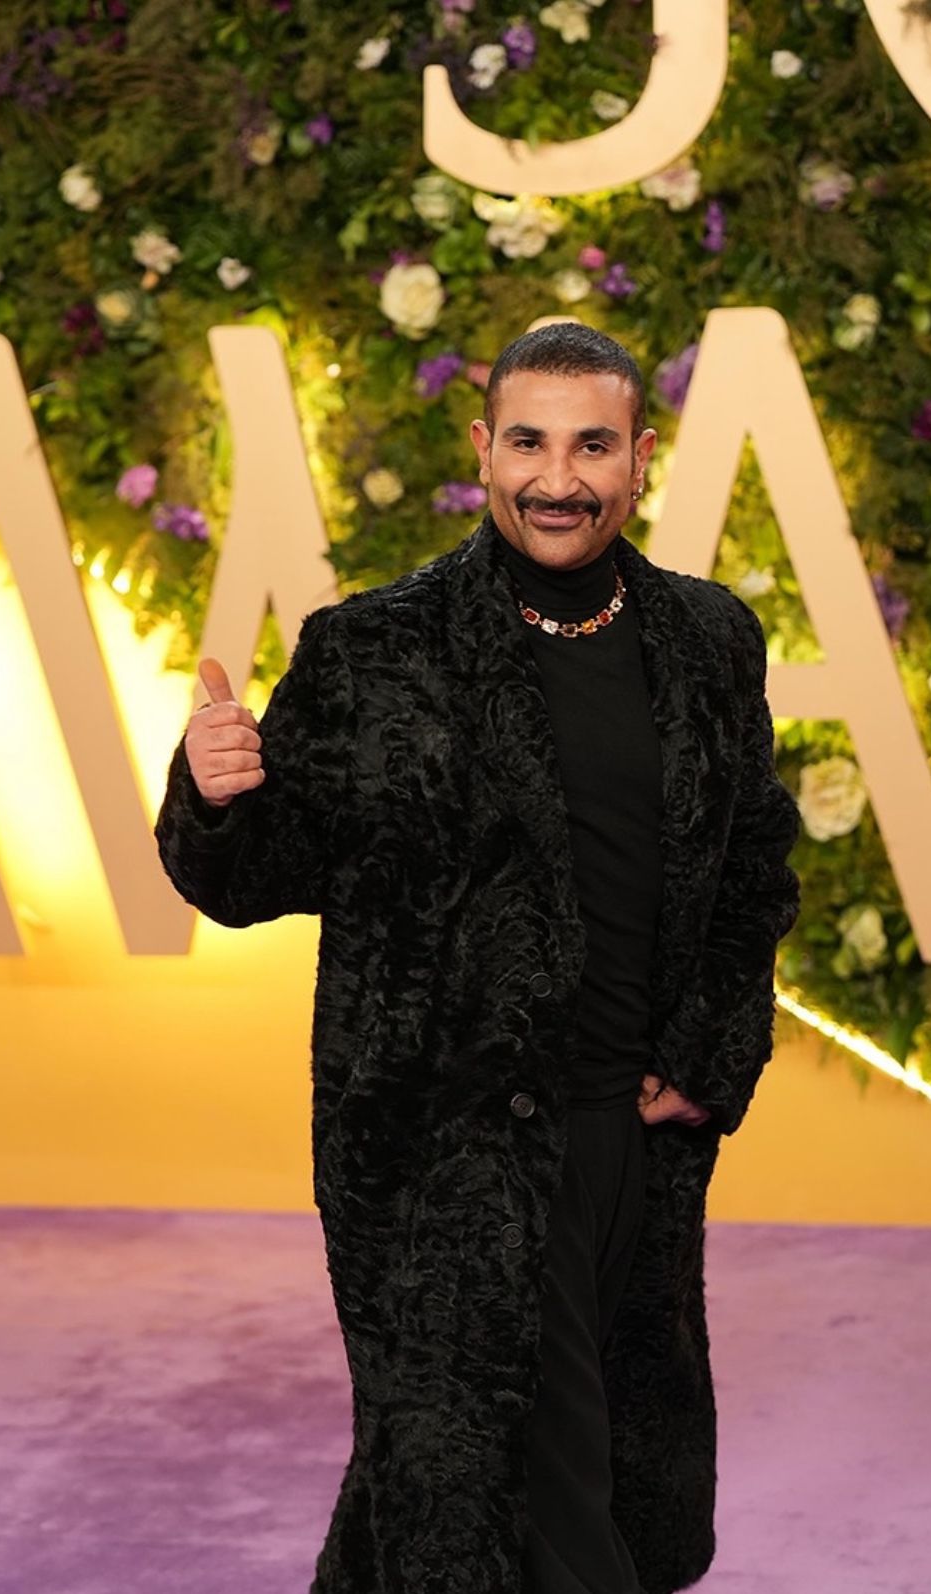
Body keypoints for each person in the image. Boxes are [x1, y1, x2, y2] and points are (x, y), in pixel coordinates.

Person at [154, 322, 802, 1594]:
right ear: (482, 449)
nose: (558, 478)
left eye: (592, 445)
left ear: (640, 457)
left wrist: (711, 1052)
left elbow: (752, 867)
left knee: (519, 1477)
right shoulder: (374, 650)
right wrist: (215, 797)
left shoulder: (709, 639)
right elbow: (261, 876)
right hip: (442, 1155)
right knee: (525, 1502)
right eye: (528, 443)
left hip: (633, 1139)